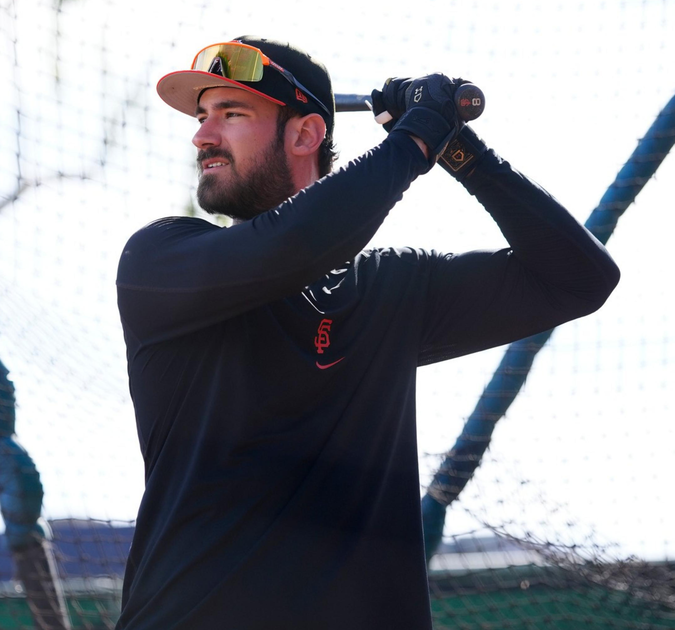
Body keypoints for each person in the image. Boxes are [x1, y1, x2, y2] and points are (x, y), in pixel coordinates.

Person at [114, 36, 620, 629]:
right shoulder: (160, 261)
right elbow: (295, 244)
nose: (202, 135)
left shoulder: (388, 288)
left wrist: (464, 152)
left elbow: (578, 279)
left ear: (305, 135)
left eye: (231, 113)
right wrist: (415, 139)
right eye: (203, 117)